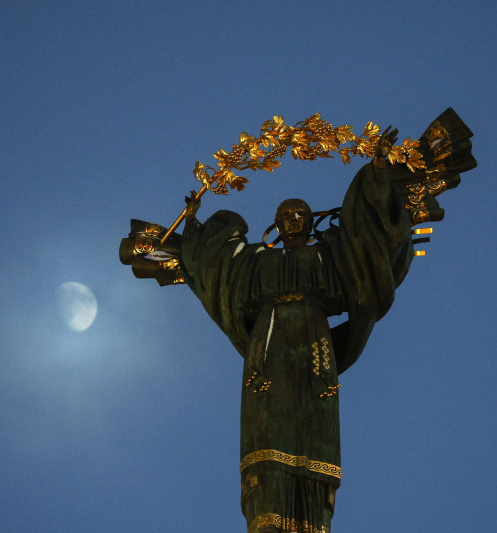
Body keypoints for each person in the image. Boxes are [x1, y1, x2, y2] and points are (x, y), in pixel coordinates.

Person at [181, 128, 416, 532]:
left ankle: (312, 519)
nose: (293, 219)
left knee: (313, 423)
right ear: (276, 222)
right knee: (268, 421)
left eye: (300, 214)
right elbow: (215, 268)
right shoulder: (256, 262)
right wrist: (193, 226)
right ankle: (268, 514)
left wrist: (377, 171)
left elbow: (369, 239)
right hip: (268, 345)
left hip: (313, 342)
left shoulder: (331, 255)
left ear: (309, 222)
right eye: (286, 214)